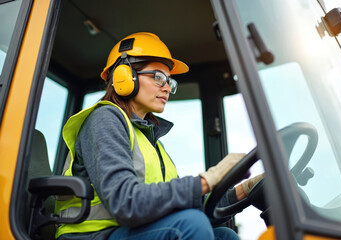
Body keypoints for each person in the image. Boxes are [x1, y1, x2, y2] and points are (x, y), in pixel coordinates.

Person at [55, 32, 263, 240]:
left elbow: (184, 207)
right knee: (191, 225)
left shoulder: (150, 141)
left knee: (225, 236)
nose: (166, 88)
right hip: (90, 236)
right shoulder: (104, 120)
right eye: (158, 77)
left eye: (169, 82)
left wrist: (244, 190)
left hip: (130, 231)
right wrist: (208, 179)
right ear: (124, 76)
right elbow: (125, 203)